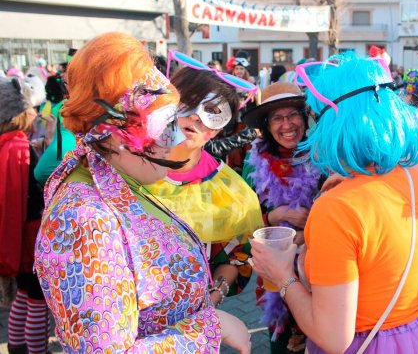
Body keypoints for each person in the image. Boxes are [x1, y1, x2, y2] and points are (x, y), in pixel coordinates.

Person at [34, 32, 250, 353]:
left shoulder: (112, 175)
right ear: (119, 132)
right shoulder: (85, 219)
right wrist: (209, 327)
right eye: (165, 124)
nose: (177, 140)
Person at [251, 53, 418, 354]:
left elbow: (333, 338)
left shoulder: (337, 208)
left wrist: (283, 277)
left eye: (315, 115)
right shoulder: (415, 175)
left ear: (333, 122)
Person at [145, 61, 263, 307]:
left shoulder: (230, 191)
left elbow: (236, 258)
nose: (196, 116)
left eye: (212, 111)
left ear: (218, 130)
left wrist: (214, 296)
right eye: (188, 101)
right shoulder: (129, 168)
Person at [242, 81, 324, 353]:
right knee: (280, 341)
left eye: (293, 115)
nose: (286, 125)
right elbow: (244, 221)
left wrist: (309, 230)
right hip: (275, 273)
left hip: (320, 267)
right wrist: (275, 215)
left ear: (305, 117)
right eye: (277, 117)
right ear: (267, 124)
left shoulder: (324, 155)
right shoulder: (254, 161)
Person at [0, 77, 50, 354]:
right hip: (28, 237)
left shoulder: (7, 143)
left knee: (23, 296)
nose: (35, 113)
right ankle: (36, 351)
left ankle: (17, 346)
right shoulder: (19, 146)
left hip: (17, 240)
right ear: (18, 114)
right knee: (38, 301)